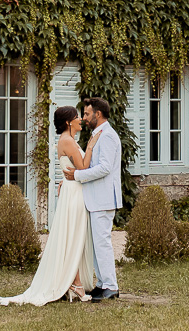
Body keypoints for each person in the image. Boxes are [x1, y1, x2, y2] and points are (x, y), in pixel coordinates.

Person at [0, 105, 100, 306]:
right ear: (68, 122)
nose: (80, 120)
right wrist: (91, 146)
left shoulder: (68, 141)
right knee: (73, 237)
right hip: (74, 194)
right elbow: (83, 168)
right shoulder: (68, 141)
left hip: (72, 190)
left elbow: (76, 169)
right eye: (76, 117)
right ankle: (75, 284)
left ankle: (75, 283)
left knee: (73, 237)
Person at [65, 97, 121, 302]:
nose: (84, 118)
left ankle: (111, 287)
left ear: (98, 114)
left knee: (103, 243)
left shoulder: (107, 136)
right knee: (97, 244)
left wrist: (77, 176)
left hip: (104, 198)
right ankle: (102, 284)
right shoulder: (98, 135)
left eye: (87, 114)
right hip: (95, 198)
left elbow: (105, 168)